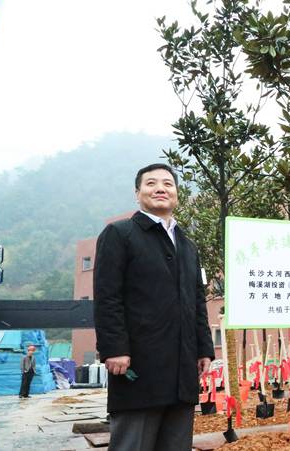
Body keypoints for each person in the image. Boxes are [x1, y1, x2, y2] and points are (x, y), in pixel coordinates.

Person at [94, 163, 214, 451]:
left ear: (176, 194)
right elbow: (107, 296)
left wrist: (203, 348)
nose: (160, 188)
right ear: (138, 194)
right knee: (132, 444)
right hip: (138, 364)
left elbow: (197, 301)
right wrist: (114, 348)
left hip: (182, 367)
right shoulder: (120, 234)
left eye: (167, 184)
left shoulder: (187, 245)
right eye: (151, 183)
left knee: (176, 444)